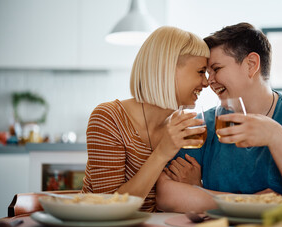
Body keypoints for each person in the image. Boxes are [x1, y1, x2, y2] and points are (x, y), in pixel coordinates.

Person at [156, 22, 282, 219]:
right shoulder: (203, 125)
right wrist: (250, 203)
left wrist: (276, 136)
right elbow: (166, 195)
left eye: (216, 68)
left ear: (251, 64)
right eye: (207, 72)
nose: (208, 81)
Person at [81, 26, 210, 212]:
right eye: (200, 71)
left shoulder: (181, 127)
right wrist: (162, 153)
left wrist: (195, 185)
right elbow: (108, 208)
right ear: (168, 69)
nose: (206, 82)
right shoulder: (109, 118)